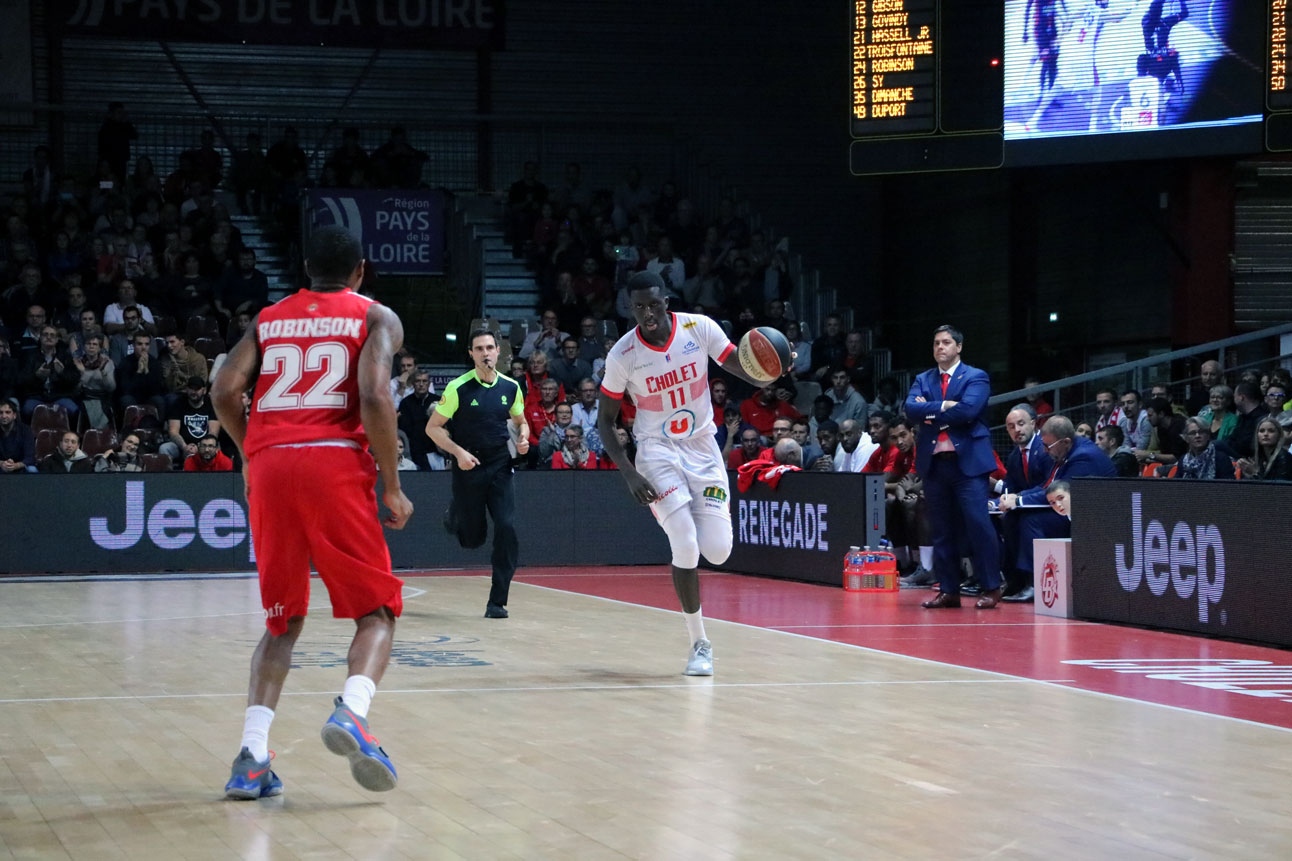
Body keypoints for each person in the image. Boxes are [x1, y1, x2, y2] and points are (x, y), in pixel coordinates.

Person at [211, 225, 413, 800]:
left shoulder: (270, 318)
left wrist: (252, 449)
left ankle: (251, 759)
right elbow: (374, 396)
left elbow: (224, 391)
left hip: (272, 467)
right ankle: (353, 712)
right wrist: (392, 485)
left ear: (304, 268)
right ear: (361, 271)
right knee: (376, 613)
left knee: (281, 621)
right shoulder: (376, 317)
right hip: (333, 464)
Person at [597, 270, 769, 676]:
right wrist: (629, 473)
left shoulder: (699, 328)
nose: (647, 313)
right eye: (638, 307)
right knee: (686, 544)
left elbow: (740, 366)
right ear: (630, 308)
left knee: (718, 551)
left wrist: (772, 370)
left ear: (666, 300)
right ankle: (699, 642)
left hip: (703, 449)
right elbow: (606, 422)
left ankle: (700, 634)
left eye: (653, 304)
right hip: (657, 453)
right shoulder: (623, 355)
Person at [427, 329, 530, 618]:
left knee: (506, 527)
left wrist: (522, 438)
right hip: (468, 466)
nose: (485, 353)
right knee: (472, 539)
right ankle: (456, 514)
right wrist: (458, 453)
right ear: (470, 354)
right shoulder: (458, 388)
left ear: (498, 351)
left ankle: (497, 601)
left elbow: (521, 422)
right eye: (478, 349)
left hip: (500, 464)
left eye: (489, 347)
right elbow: (433, 427)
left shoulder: (511, 387)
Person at [905, 325, 1003, 609]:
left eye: (946, 342)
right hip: (935, 464)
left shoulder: (976, 376)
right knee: (942, 529)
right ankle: (949, 590)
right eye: (936, 343)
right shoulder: (923, 378)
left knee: (978, 524)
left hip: (968, 465)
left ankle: (991, 586)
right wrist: (946, 406)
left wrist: (932, 411)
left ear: (958, 347)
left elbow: (969, 410)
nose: (940, 348)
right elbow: (910, 409)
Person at [1236, 417, 1292, 481]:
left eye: (1271, 431)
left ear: (1279, 436)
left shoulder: (1284, 457)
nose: (1265, 434)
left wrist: (1255, 473)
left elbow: (1277, 488)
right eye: (1262, 431)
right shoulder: (1259, 458)